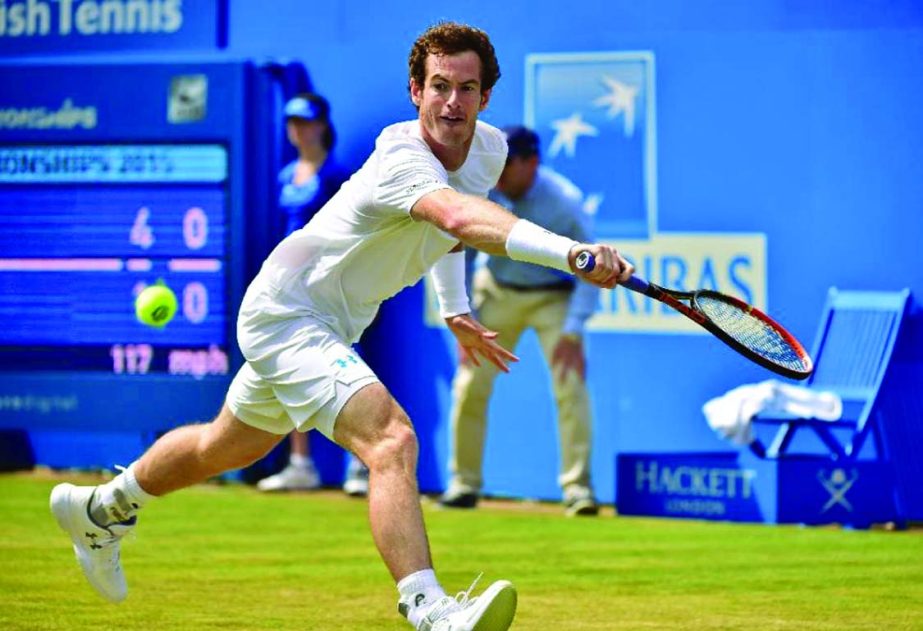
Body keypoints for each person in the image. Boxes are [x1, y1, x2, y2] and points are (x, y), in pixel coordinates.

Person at [49, 21, 632, 631]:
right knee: (391, 440)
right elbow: (458, 216)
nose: (451, 102)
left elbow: (454, 232)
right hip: (287, 309)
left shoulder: (487, 150)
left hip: (333, 323)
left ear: (486, 97)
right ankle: (430, 610)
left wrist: (455, 307)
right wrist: (573, 254)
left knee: (223, 445)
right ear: (416, 90)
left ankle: (100, 508)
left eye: (466, 88)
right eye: (439, 86)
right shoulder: (401, 156)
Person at [439, 126, 601, 517]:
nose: (500, 174)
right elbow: (458, 249)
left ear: (533, 163)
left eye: (509, 165)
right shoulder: (481, 189)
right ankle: (463, 484)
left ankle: (578, 490)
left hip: (553, 298)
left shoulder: (565, 202)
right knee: (469, 384)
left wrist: (573, 330)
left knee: (570, 385)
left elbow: (592, 270)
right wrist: (466, 315)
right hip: (497, 290)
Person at [253, 92, 369, 496]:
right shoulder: (287, 175)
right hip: (290, 284)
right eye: (292, 122)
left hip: (331, 283)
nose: (298, 130)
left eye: (305, 122)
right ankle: (301, 464)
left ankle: (359, 465)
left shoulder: (337, 175)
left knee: (347, 367)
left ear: (322, 124)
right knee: (292, 368)